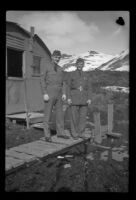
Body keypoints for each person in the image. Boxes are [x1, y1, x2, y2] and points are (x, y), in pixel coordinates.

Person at [40, 50, 70, 142]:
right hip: (49, 92)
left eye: (59, 57)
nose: (57, 59)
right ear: (52, 57)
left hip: (59, 93)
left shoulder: (60, 69)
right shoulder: (46, 66)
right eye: (56, 57)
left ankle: (60, 133)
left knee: (60, 114)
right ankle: (47, 135)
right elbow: (42, 80)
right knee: (48, 114)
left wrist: (64, 93)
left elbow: (64, 82)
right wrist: (44, 93)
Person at [67, 58, 92, 139]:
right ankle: (74, 134)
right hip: (74, 99)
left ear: (83, 65)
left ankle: (81, 133)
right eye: (78, 64)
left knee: (83, 117)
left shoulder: (86, 75)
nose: (80, 65)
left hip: (84, 99)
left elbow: (89, 88)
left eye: (81, 64)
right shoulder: (71, 74)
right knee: (74, 117)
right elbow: (68, 87)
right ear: (76, 64)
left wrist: (89, 98)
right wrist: (68, 98)